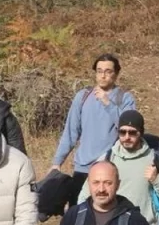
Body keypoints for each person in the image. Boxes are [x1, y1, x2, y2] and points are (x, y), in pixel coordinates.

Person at [52, 53, 137, 206]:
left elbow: (129, 130)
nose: (103, 75)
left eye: (108, 71)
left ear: (116, 74)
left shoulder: (125, 98)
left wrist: (107, 103)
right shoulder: (82, 97)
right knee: (78, 214)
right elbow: (71, 132)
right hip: (83, 168)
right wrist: (57, 162)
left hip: (111, 168)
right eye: (99, 71)